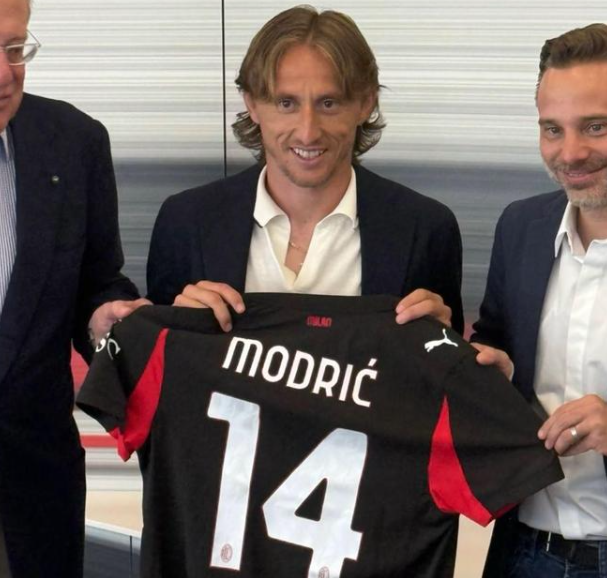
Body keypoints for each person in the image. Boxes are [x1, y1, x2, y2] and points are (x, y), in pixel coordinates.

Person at [146, 5, 464, 334]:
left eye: (329, 103)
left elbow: (443, 358)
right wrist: (175, 325)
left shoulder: (426, 230)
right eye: (287, 103)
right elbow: (153, 356)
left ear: (365, 104)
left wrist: (440, 339)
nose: (308, 132)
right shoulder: (185, 221)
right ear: (252, 105)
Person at [0, 0, 148, 576]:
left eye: (15, 48)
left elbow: (96, 280)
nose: (5, 74)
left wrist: (103, 316)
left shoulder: (74, 141)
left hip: (35, 483)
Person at [472, 22, 607, 578]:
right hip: (525, 550)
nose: (570, 152)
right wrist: (486, 370)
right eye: (553, 129)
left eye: (596, 126)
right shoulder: (520, 227)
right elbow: (495, 343)